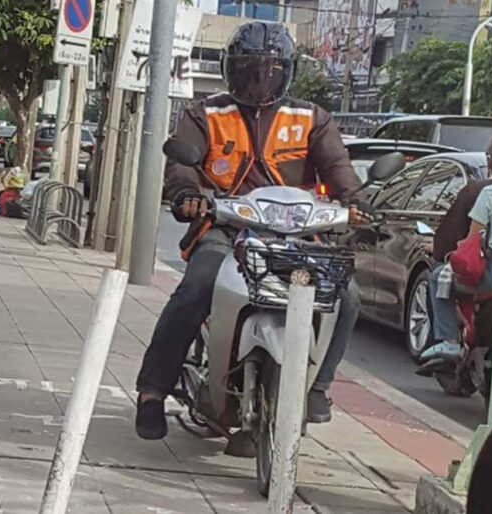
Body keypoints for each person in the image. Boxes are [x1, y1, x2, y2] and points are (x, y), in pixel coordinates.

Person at [135, 21, 370, 440]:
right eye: (249, 68)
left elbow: (338, 168)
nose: (260, 78)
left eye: (271, 69)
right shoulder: (204, 113)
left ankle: (318, 386)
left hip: (297, 236)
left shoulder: (312, 118)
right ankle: (152, 391)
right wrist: (188, 193)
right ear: (231, 69)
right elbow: (183, 165)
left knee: (347, 295)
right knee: (197, 286)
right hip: (226, 227)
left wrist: (356, 202)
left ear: (287, 71)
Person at [423, 139, 492, 363]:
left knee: (437, 277)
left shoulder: (490, 193)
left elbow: (471, 241)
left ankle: (449, 342)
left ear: (490, 161)